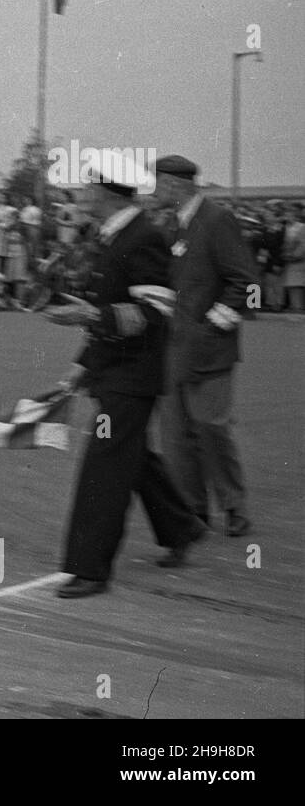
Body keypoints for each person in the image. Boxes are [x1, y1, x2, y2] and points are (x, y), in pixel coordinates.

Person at [46, 153, 206, 599]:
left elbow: (156, 312)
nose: (80, 194)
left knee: (105, 464)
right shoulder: (117, 237)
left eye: (85, 188)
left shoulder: (141, 238)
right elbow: (114, 311)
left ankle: (90, 569)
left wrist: (89, 314)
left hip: (133, 376)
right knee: (131, 456)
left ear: (103, 192)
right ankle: (181, 526)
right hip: (116, 370)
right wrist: (81, 368)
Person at [154, 155, 258, 537]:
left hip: (210, 351)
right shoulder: (174, 226)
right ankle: (193, 511)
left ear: (177, 186)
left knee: (211, 429)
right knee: (177, 438)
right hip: (174, 351)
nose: (154, 191)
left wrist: (211, 327)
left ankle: (233, 506)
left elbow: (247, 284)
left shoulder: (216, 221)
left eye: (159, 184)